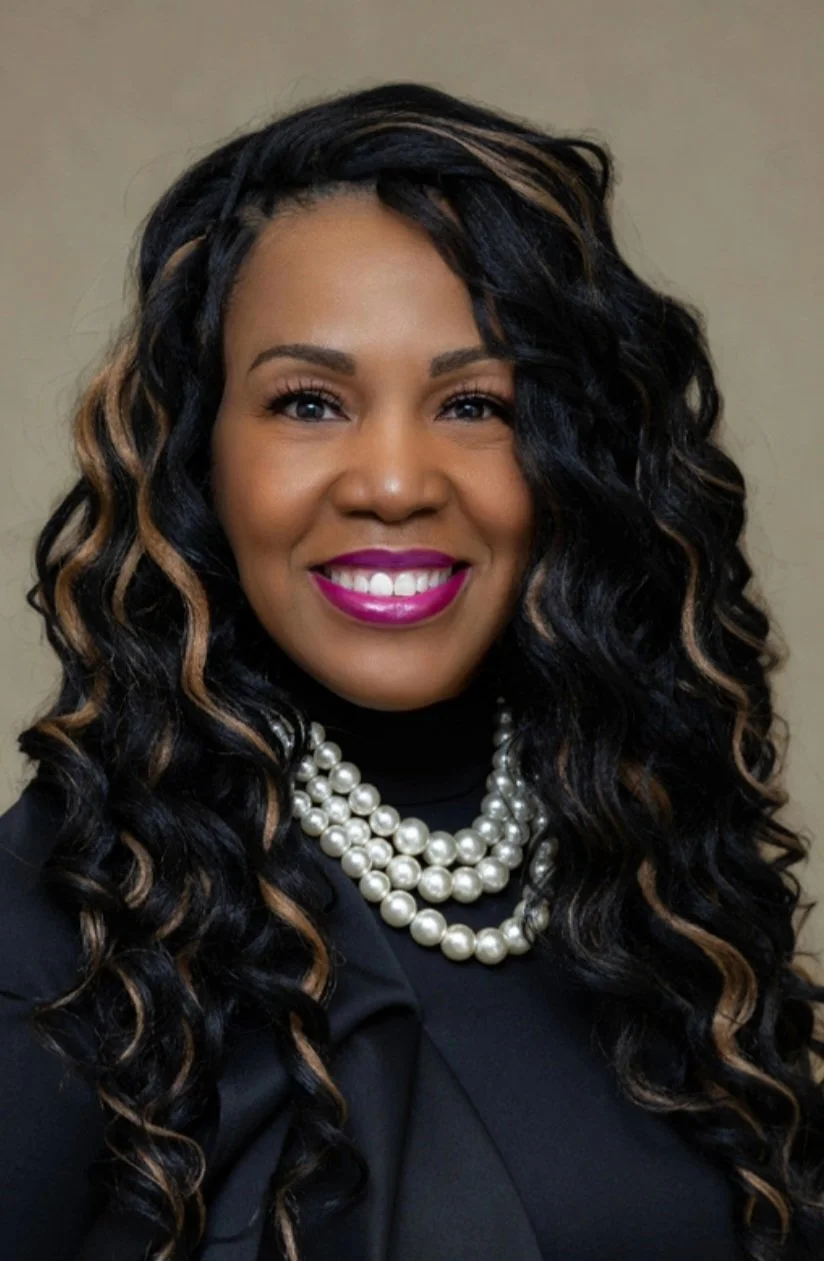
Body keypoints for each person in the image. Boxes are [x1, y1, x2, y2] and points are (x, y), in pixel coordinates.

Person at [0, 80, 822, 1261]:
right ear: (199, 456)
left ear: (569, 460)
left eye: (474, 403)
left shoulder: (656, 880)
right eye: (309, 402)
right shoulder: (61, 936)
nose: (393, 482)